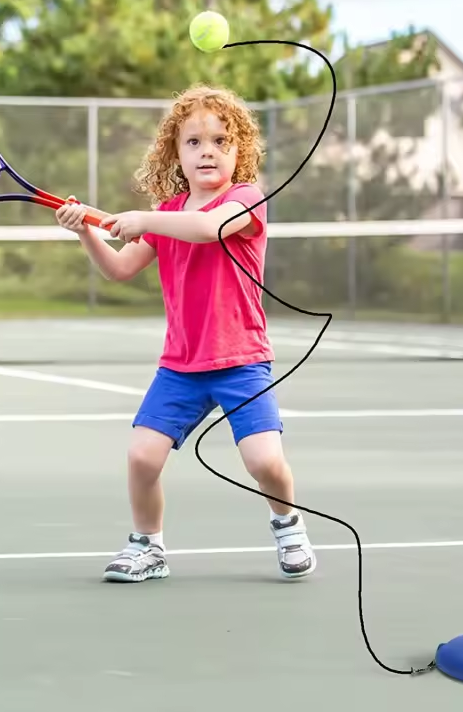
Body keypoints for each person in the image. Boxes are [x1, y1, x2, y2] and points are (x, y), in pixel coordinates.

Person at [55, 83, 316, 583]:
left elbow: (209, 228)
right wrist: (86, 229)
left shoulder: (246, 200)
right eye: (194, 142)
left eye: (221, 140)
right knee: (141, 457)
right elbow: (119, 268)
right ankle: (147, 547)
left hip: (241, 361)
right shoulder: (168, 212)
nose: (207, 151)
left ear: (240, 151)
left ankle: (287, 523)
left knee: (265, 463)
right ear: (175, 152)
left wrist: (143, 217)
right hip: (181, 366)